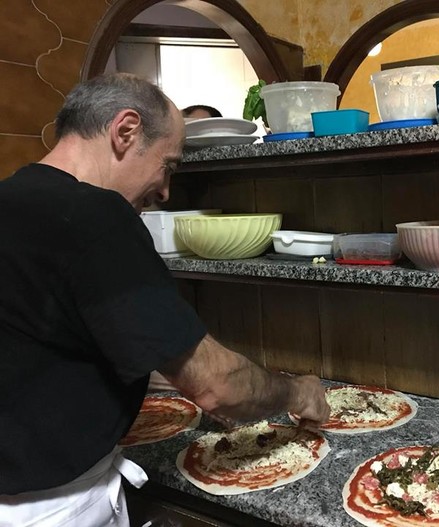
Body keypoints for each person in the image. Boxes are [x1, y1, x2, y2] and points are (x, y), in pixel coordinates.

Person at [0, 73, 329, 526]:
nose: (165, 191)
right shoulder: (96, 215)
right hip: (50, 507)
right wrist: (297, 390)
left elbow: (46, 344)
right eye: (169, 164)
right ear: (126, 131)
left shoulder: (12, 198)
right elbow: (219, 387)